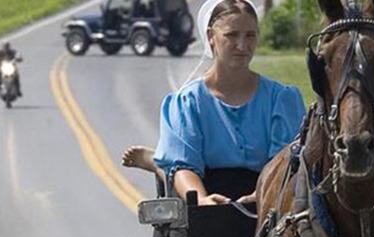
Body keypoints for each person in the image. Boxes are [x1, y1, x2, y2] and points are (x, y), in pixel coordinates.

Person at [124, 0, 305, 204]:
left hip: (269, 195)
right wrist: (202, 199)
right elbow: (184, 164)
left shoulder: (281, 99)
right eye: (232, 35)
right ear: (211, 36)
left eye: (250, 35)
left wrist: (262, 195)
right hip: (207, 193)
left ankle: (160, 162)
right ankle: (163, 164)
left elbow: (286, 161)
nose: (242, 45)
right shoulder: (188, 102)